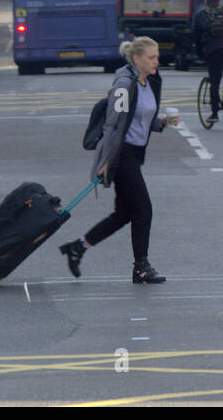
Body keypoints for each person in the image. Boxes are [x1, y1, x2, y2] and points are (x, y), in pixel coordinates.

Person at [59, 37, 179, 284]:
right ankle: (141, 267)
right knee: (144, 209)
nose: (157, 61)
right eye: (151, 57)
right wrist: (106, 160)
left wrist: (162, 123)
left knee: (124, 213)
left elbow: (142, 119)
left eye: (157, 56)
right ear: (136, 59)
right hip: (121, 154)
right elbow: (114, 125)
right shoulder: (124, 85)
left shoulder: (149, 81)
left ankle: (78, 247)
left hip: (134, 153)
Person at [191, 0, 223, 123]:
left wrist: (200, 55)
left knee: (215, 82)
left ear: (206, 2)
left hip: (214, 50)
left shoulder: (201, 16)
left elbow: (197, 38)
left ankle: (214, 114)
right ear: (218, 2)